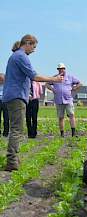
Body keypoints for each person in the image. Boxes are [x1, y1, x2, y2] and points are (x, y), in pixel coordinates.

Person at [3, 35, 63, 172]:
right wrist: (54, 79)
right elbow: (34, 76)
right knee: (17, 129)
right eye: (34, 46)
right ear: (28, 43)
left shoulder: (15, 56)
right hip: (16, 96)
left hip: (13, 96)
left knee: (15, 128)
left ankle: (14, 159)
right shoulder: (21, 56)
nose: (34, 50)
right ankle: (12, 161)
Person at [46, 63, 82, 137]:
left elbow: (80, 83)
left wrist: (75, 88)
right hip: (58, 100)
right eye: (59, 69)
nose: (61, 70)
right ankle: (62, 134)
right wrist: (52, 89)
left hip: (68, 99)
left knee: (71, 115)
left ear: (64, 69)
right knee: (61, 117)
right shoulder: (55, 77)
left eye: (62, 68)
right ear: (58, 70)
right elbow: (46, 84)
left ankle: (73, 133)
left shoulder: (70, 77)